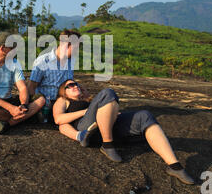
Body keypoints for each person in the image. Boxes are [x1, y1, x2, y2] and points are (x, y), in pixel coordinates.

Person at [52, 79, 195, 185]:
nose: (74, 86)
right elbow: (58, 119)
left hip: (106, 126)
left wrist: (110, 113)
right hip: (88, 128)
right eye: (69, 86)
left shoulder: (90, 101)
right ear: (63, 91)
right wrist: (86, 112)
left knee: (145, 116)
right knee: (108, 92)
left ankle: (175, 166)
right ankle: (107, 146)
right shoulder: (62, 101)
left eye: (76, 84)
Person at [28, 29, 86, 121]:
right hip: (47, 104)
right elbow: (32, 87)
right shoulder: (43, 61)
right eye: (76, 48)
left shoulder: (71, 60)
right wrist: (33, 107)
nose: (77, 51)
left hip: (64, 102)